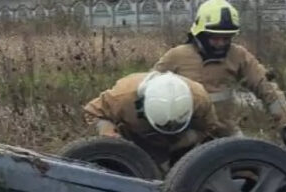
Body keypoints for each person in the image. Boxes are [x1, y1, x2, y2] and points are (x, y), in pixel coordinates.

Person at [153, 0, 286, 156]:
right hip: (183, 137)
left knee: (249, 162)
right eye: (215, 38)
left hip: (224, 134)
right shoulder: (176, 57)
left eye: (226, 38)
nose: (221, 43)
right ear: (200, 33)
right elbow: (148, 89)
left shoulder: (238, 55)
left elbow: (266, 86)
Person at [82, 69, 234, 172]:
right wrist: (107, 132)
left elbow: (209, 128)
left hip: (180, 143)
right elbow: (93, 112)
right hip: (134, 138)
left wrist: (188, 141)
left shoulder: (200, 99)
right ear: (142, 107)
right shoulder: (122, 97)